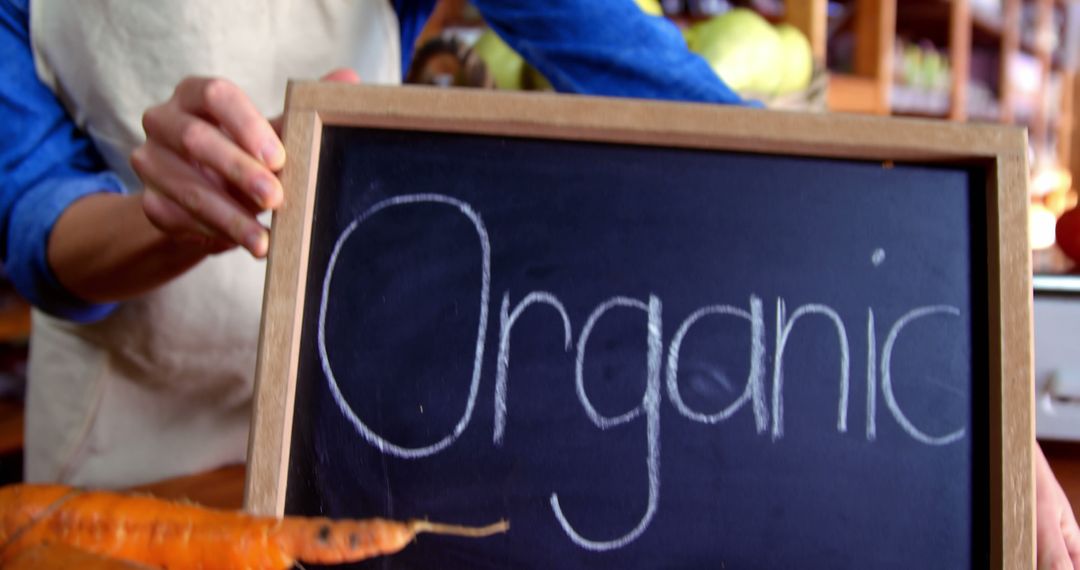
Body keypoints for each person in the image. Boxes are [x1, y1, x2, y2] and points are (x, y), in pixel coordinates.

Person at [0, 0, 744, 489]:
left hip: (351, 410)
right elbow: (35, 227)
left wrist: (812, 169)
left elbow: (614, 54)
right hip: (125, 436)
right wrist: (169, 217)